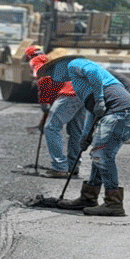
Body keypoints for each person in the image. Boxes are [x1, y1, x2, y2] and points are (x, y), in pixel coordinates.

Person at [38, 48, 130, 216]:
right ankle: (88, 197)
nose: (51, 76)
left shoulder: (75, 64)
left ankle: (114, 203)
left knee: (102, 155)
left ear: (61, 64)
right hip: (121, 113)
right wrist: (85, 136)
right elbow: (92, 111)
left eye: (51, 71)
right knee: (98, 156)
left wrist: (100, 99)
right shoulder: (79, 83)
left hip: (121, 113)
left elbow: (93, 73)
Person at [24, 45, 91, 178]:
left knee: (51, 128)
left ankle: (59, 167)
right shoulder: (62, 60)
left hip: (69, 95)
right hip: (83, 94)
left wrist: (45, 108)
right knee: (75, 132)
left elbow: (45, 85)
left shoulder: (38, 63)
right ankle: (73, 167)